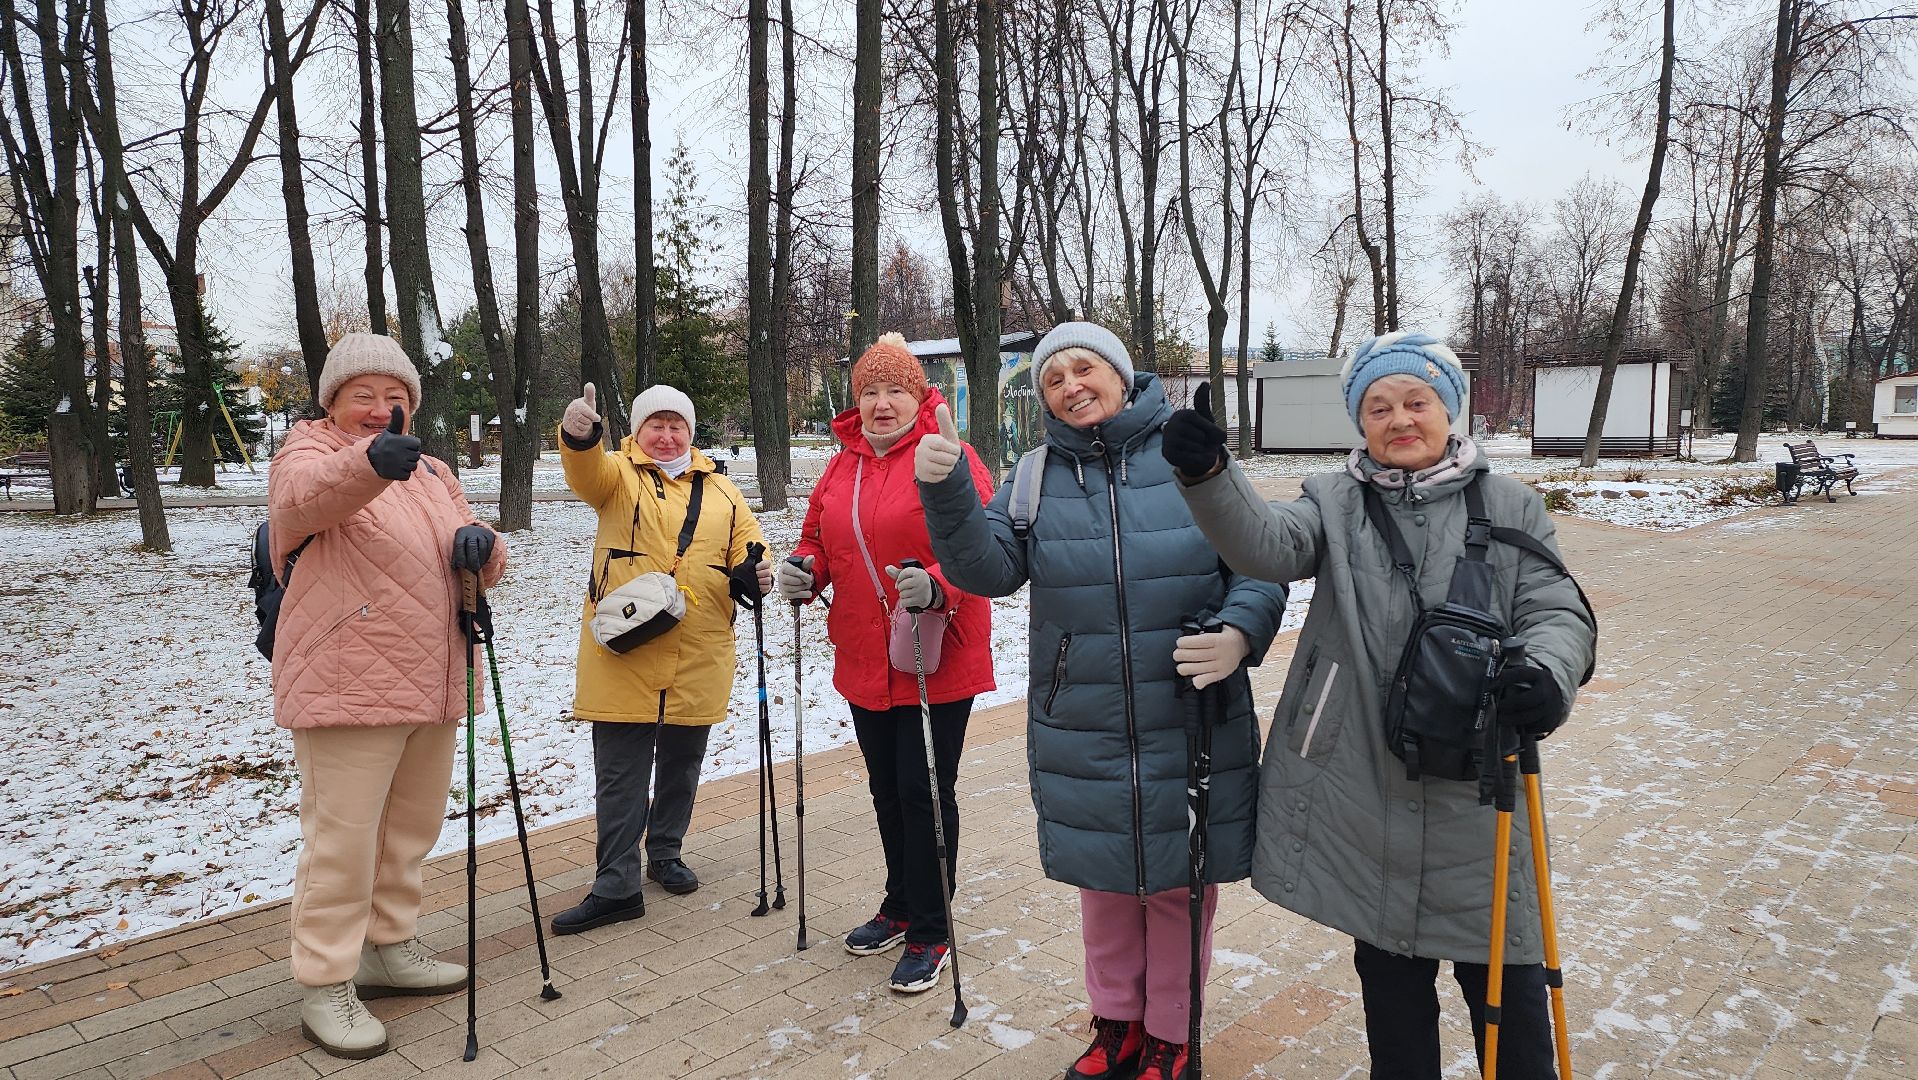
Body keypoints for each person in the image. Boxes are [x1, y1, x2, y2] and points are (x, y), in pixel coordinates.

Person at [1161, 331, 1598, 1079]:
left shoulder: (1510, 505)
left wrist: (1548, 673)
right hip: (1365, 784)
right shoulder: (1334, 502)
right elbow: (1266, 546)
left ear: (1449, 409)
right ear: (1360, 423)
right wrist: (1209, 475)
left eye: (1416, 402)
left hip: (1481, 792)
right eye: (1378, 407)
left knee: (1512, 1004)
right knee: (1394, 1004)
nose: (1399, 420)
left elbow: (1557, 610)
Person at [916, 323, 1286, 1080]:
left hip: (1190, 712)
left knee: (1180, 887)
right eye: (1053, 380)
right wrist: (949, 493)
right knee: (1106, 886)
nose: (1071, 387)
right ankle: (1117, 1027)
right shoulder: (1034, 475)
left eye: (1085, 368)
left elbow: (1261, 557)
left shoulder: (1187, 454)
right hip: (1083, 720)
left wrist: (1240, 633)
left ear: (1121, 375)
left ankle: (1172, 1038)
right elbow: (988, 570)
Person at [268, 332, 507, 1060]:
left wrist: (484, 548)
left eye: (394, 396)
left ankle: (388, 946)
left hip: (433, 677)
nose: (379, 408)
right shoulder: (308, 452)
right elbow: (303, 503)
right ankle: (325, 981)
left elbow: (475, 548)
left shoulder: (433, 471)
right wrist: (369, 462)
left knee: (408, 832)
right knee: (342, 843)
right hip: (348, 681)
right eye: (362, 395)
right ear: (332, 401)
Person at [777, 333, 997, 995]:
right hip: (866, 656)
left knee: (923, 792)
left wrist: (938, 584)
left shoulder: (948, 453)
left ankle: (932, 926)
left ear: (918, 395)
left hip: (936, 652)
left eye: (895, 389)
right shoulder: (841, 465)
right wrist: (805, 570)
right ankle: (900, 905)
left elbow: (985, 542)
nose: (881, 403)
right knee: (887, 789)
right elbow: (819, 539)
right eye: (870, 391)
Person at [550, 382, 769, 933]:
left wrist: (754, 570)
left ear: (690, 432)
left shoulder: (722, 490)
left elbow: (750, 544)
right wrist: (580, 438)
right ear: (638, 431)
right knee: (621, 773)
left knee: (681, 764)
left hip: (699, 649)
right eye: (656, 425)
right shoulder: (617, 475)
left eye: (677, 426)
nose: (667, 435)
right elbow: (585, 474)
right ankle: (615, 884)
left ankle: (666, 852)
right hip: (625, 651)